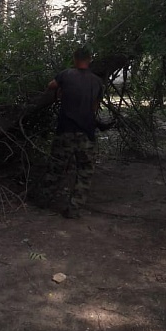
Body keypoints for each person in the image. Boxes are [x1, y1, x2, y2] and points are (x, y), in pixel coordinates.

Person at [44, 47, 104, 218]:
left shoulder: (66, 74)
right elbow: (94, 107)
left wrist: (61, 91)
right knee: (85, 171)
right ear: (90, 59)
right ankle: (74, 208)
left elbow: (51, 86)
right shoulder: (97, 82)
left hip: (65, 130)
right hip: (86, 133)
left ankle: (45, 200)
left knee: (56, 167)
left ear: (74, 58)